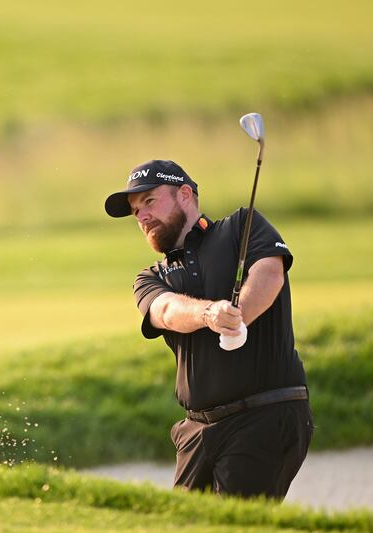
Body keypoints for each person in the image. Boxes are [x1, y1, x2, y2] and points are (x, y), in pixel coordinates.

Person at [104, 159, 313, 500]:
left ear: (184, 194)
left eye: (150, 202)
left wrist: (239, 315)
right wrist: (210, 313)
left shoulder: (242, 228)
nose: (141, 217)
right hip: (196, 431)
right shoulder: (151, 277)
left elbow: (270, 274)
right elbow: (166, 311)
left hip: (264, 413)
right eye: (136, 211)